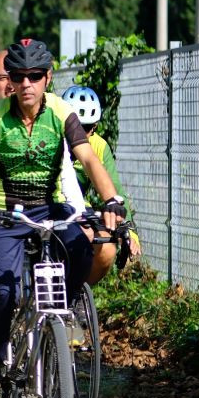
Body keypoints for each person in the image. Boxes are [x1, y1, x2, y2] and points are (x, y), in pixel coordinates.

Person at [0, 38, 125, 398]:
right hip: (7, 212)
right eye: (19, 77)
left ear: (47, 78)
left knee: (85, 247)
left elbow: (87, 156)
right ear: (12, 82)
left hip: (51, 207)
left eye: (35, 76)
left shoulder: (61, 111)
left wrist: (112, 199)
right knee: (3, 291)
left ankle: (61, 311)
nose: (27, 84)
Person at [61, 84, 143, 282]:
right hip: (48, 204)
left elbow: (115, 190)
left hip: (78, 206)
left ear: (95, 127)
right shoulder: (52, 138)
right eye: (75, 126)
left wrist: (130, 231)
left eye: (87, 128)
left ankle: (78, 294)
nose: (79, 134)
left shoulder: (98, 145)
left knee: (106, 249)